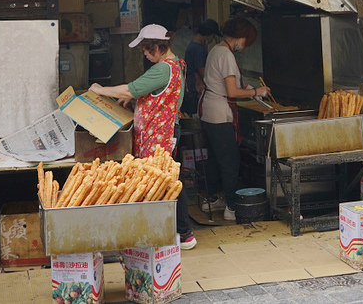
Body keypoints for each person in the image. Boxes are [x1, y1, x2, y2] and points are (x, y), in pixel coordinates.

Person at [88, 24, 197, 249]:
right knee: (168, 179)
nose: (146, 55)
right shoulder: (176, 65)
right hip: (163, 132)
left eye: (148, 50)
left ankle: (183, 233)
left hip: (161, 134)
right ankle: (179, 232)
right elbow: (152, 93)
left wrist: (100, 89)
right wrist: (136, 99)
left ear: (159, 46)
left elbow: (129, 89)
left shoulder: (162, 69)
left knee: (164, 181)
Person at [198, 17, 270, 221]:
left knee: (215, 158)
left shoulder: (216, 49)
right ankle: (231, 206)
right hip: (219, 113)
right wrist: (257, 90)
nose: (245, 46)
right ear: (240, 38)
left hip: (209, 111)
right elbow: (231, 91)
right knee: (230, 161)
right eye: (246, 42)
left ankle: (212, 199)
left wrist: (247, 89)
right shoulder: (227, 55)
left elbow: (227, 83)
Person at [182, 19, 222, 116]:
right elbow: (203, 72)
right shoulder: (198, 49)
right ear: (208, 34)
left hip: (189, 88)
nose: (212, 39)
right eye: (213, 36)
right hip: (194, 90)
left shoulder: (193, 46)